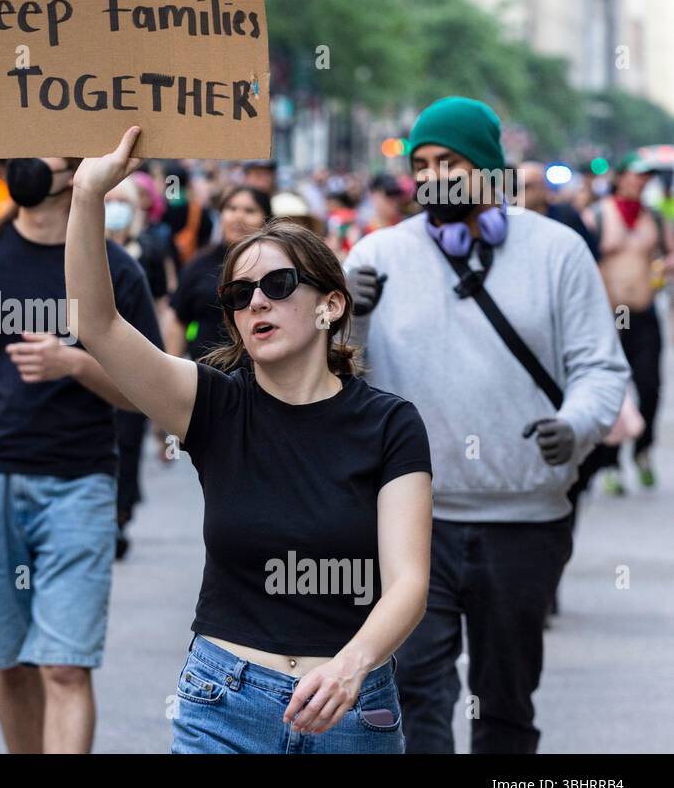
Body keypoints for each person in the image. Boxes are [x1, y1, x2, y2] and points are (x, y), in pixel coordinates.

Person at [65, 126, 433, 754]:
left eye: (279, 286)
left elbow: (408, 583)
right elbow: (97, 326)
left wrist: (352, 666)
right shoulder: (211, 402)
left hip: (353, 706)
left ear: (330, 305)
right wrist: (87, 196)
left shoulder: (391, 423)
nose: (256, 302)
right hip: (223, 702)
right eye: (239, 295)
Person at [344, 96, 629, 753]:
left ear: (490, 170)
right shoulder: (377, 255)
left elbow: (600, 368)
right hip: (412, 518)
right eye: (422, 163)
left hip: (525, 523)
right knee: (418, 692)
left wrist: (576, 423)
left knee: (505, 701)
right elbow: (341, 390)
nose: (433, 175)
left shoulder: (558, 251)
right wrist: (349, 321)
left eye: (451, 161)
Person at [0, 154, 163, 753]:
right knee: (14, 663)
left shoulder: (113, 269)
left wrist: (75, 363)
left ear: (79, 169)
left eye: (44, 152)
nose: (23, 163)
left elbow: (146, 392)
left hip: (78, 485)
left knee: (66, 665)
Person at [581, 153, 672, 494]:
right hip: (610, 314)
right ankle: (609, 463)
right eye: (635, 175)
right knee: (612, 391)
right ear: (620, 177)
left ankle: (643, 449)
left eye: (645, 177)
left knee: (650, 386)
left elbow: (668, 253)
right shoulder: (597, 214)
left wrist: (663, 267)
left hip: (645, 312)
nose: (641, 182)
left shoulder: (652, 217)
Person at [104, 176, 176, 558]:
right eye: (108, 198)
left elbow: (163, 302)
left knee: (127, 438)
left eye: (122, 200)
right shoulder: (85, 248)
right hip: (94, 359)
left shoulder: (148, 247)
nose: (114, 206)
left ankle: (120, 512)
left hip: (136, 355)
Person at [168, 186, 271, 361]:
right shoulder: (199, 264)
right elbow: (179, 320)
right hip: (203, 373)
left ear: (266, 219)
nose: (239, 216)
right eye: (231, 209)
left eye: (249, 210)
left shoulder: (274, 266)